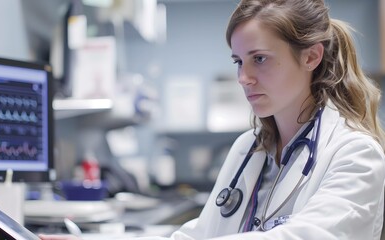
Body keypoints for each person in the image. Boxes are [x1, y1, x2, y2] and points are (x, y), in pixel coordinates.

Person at [40, 0, 385, 239]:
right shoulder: (248, 149)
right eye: (238, 61)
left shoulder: (355, 155)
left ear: (310, 56)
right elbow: (201, 234)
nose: (243, 77)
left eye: (259, 59)